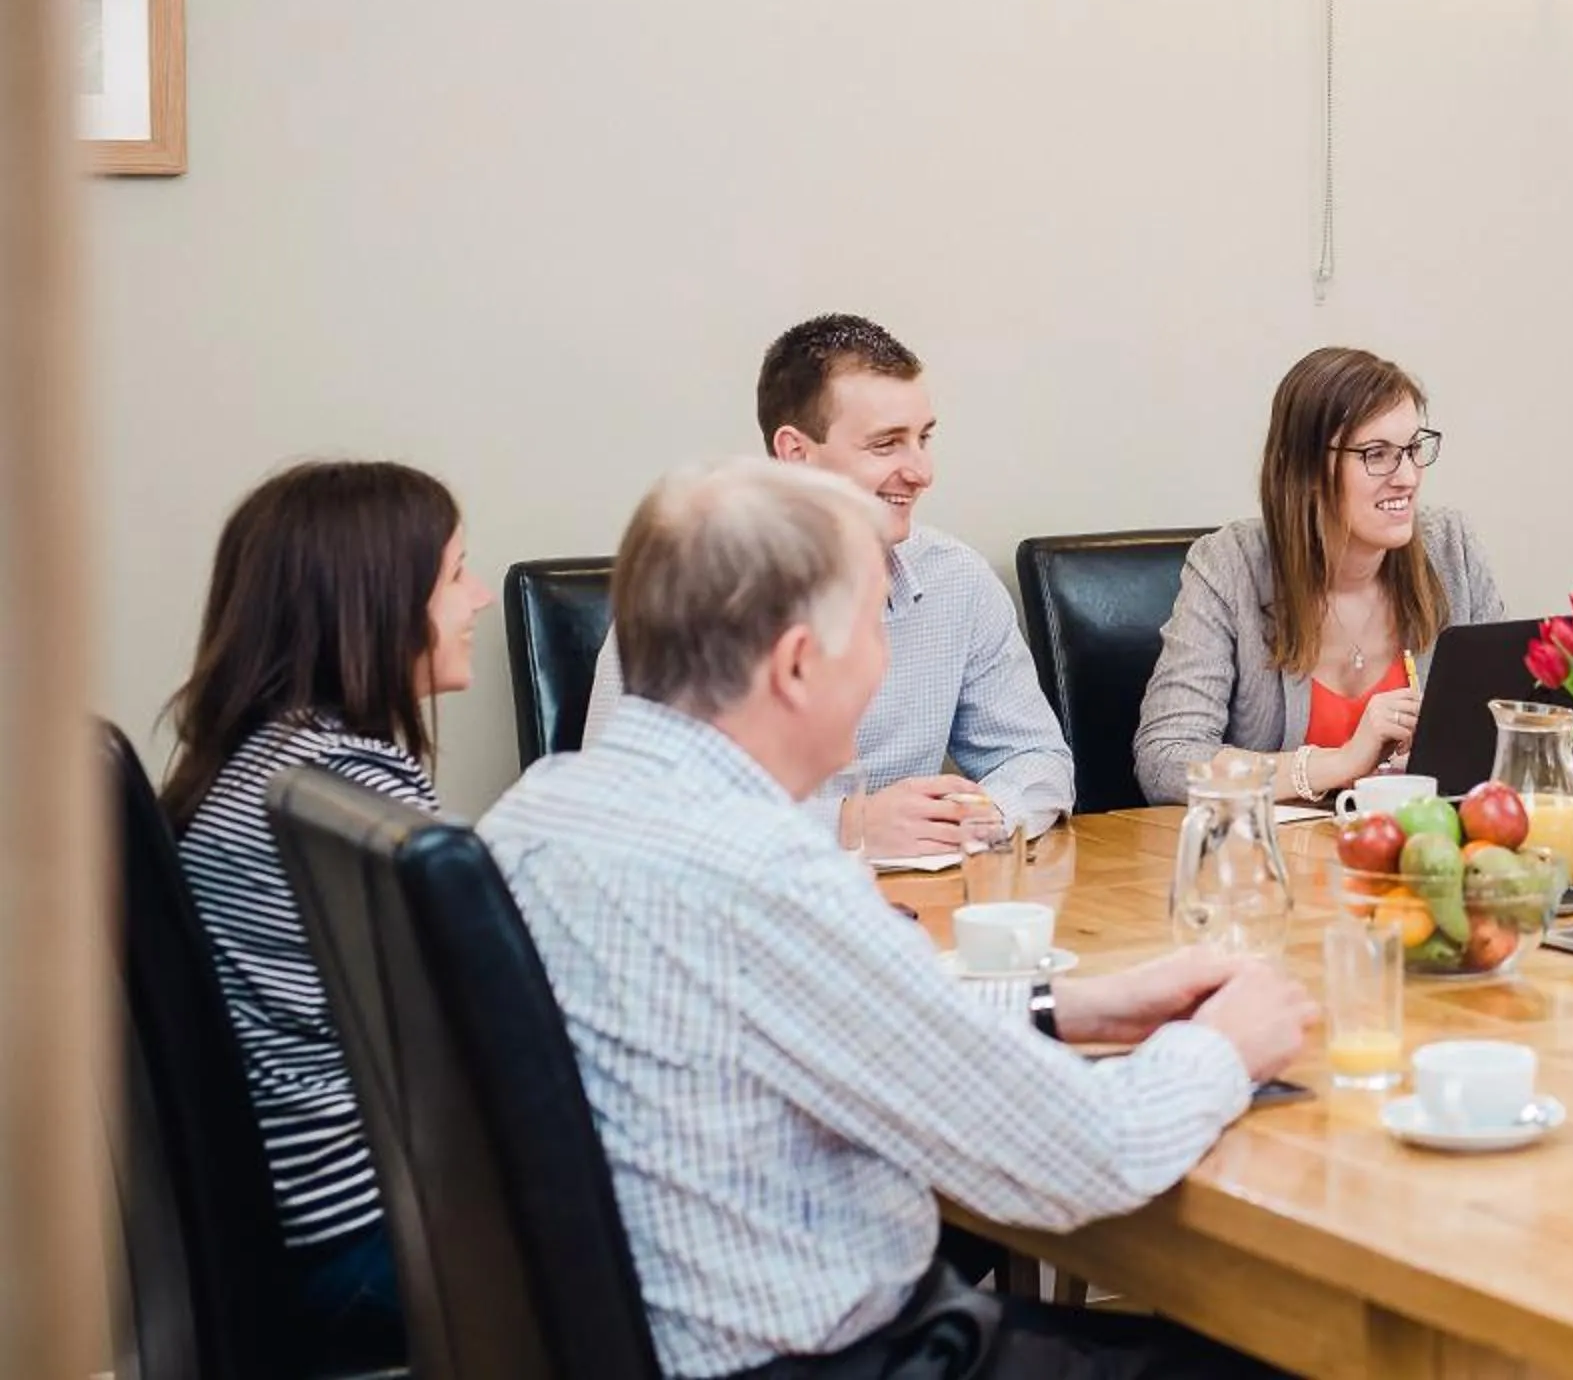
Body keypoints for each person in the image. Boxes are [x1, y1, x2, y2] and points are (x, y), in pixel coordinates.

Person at [483, 459, 1312, 1379]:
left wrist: (1065, 1009)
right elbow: (1083, 1155)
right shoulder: (774, 877)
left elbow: (817, 1025)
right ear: (799, 665)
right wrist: (1227, 1046)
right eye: (870, 628)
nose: (884, 661)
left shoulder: (534, 816)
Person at [162, 460, 495, 1370]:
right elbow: (492, 1027)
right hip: (366, 1240)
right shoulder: (349, 792)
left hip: (299, 1223)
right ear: (378, 604)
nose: (478, 599)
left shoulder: (264, 764)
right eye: (457, 572)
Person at [584, 313, 1072, 855]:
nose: (922, 471)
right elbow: (621, 806)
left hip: (927, 906)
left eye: (923, 438)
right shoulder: (693, 587)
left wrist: (974, 817)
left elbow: (1037, 759)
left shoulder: (956, 580)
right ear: (796, 453)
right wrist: (844, 824)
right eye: (886, 444)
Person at [1135, 347, 1503, 805]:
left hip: (1417, 860)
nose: (1407, 476)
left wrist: (1440, 765)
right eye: (1376, 454)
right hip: (1275, 867)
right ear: (1305, 469)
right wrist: (1344, 762)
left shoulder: (1451, 550)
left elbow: (1507, 734)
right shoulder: (1230, 567)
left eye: (1412, 449)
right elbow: (1165, 761)